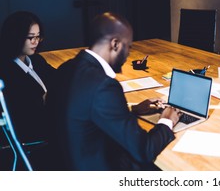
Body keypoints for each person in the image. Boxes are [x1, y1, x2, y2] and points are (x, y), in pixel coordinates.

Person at [49, 12, 180, 171]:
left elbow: (85, 114)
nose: (129, 53)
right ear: (115, 44)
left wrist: (132, 111)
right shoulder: (104, 86)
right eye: (129, 46)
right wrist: (167, 121)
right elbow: (143, 150)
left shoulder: (66, 68)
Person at [0, 11, 56, 170]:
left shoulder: (36, 60)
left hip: (49, 124)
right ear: (15, 37)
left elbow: (58, 79)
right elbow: (25, 116)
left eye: (38, 37)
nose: (35, 42)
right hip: (35, 137)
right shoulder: (7, 72)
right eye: (30, 37)